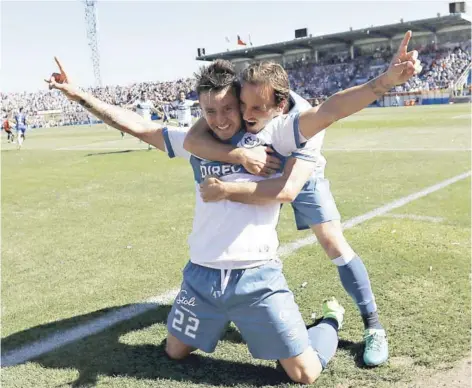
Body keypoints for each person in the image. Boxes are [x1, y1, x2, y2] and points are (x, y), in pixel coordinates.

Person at [45, 57, 345, 385]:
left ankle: (329, 321)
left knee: (304, 374)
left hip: (257, 278)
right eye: (210, 112)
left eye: (228, 109)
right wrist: (80, 96)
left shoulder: (274, 139)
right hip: (201, 278)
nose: (219, 120)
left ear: (242, 105)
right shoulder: (197, 147)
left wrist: (382, 82)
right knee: (174, 351)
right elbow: (138, 126)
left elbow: (318, 114)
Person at [184, 30, 422, 367]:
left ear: (279, 106)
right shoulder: (239, 106)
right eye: (243, 105)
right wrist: (238, 155)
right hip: (262, 167)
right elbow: (193, 138)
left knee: (332, 243)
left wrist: (384, 82)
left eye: (256, 108)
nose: (246, 114)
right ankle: (238, 305)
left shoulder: (298, 124)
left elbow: (292, 179)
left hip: (300, 172)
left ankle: (373, 326)